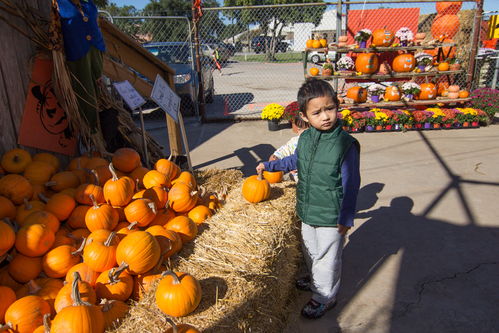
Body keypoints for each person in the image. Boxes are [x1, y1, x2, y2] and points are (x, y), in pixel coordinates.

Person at [256, 79, 360, 319]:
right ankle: (316, 280)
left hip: (331, 214)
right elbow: (294, 161)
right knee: (311, 251)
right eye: (317, 112)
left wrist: (346, 216)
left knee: (327, 257)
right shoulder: (305, 139)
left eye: (330, 108)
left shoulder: (345, 145)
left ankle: (325, 297)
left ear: (337, 106)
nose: (325, 116)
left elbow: (352, 183)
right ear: (304, 115)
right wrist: (272, 165)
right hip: (308, 208)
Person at [268, 116, 309, 181]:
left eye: (304, 128)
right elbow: (286, 149)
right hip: (296, 176)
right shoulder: (295, 141)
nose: (298, 129)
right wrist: (277, 156)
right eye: (299, 127)